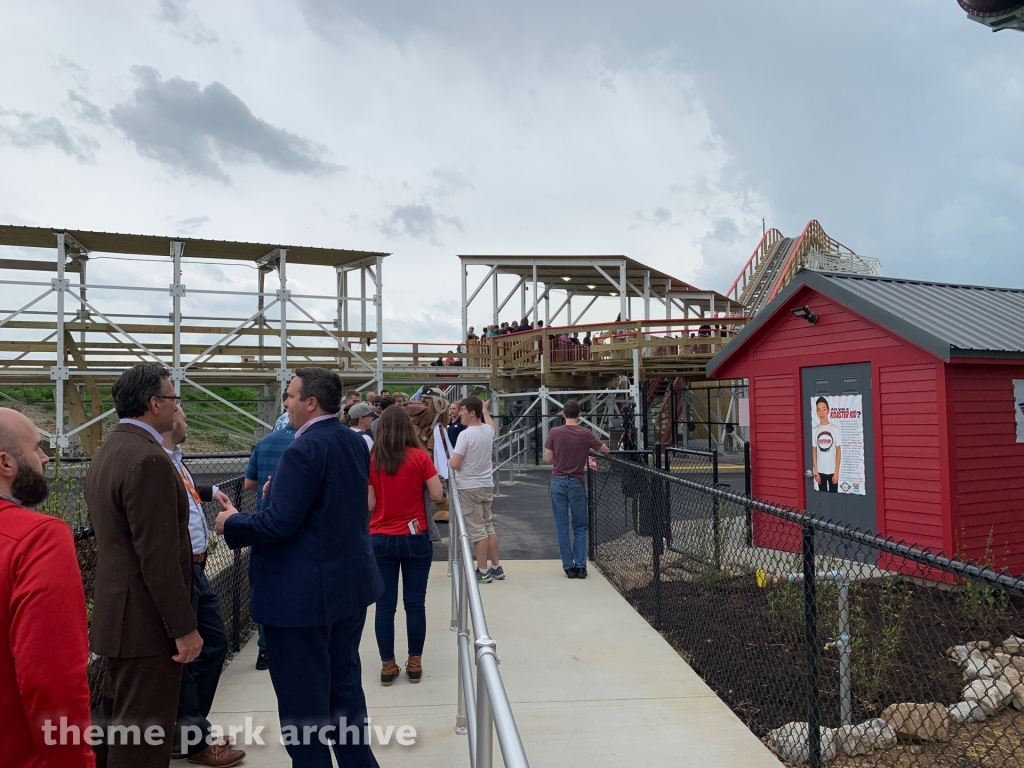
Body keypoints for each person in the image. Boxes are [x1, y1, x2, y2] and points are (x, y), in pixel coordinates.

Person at [217, 367, 383, 768]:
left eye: (290, 396)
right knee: (344, 691)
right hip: (347, 589)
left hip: (300, 601)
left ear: (311, 402)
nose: (286, 403)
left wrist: (232, 522)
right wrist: (279, 493)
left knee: (303, 708)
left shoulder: (302, 450)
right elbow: (330, 506)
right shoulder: (353, 441)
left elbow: (278, 525)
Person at [88, 364, 226, 768]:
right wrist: (183, 629)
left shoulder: (111, 450)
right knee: (143, 741)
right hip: (145, 627)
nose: (175, 405)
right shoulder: (149, 459)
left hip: (119, 618)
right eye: (172, 398)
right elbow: (159, 557)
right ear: (154, 403)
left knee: (117, 726)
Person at [0, 408, 96, 768]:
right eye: (38, 448)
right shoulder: (39, 539)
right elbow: (52, 680)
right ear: (6, 463)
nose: (45, 458)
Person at [160, 410, 245, 766]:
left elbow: (185, 490)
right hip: (182, 571)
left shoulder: (174, 460)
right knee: (189, 654)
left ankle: (189, 731)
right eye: (181, 415)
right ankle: (193, 740)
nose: (186, 422)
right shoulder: (156, 461)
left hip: (196, 569)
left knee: (214, 644)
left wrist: (211, 492)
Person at [366, 407, 444, 686]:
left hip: (381, 538)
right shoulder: (420, 457)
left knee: (384, 607)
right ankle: (415, 663)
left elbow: (370, 504)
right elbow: (437, 493)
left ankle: (388, 665)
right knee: (415, 604)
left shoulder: (373, 460)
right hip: (415, 537)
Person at [244, 418, 297, 671]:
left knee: (263, 588)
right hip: (294, 528)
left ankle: (265, 648)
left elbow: (249, 483)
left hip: (263, 526)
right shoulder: (305, 444)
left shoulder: (264, 443)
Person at [543, 400, 610, 579]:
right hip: (576, 481)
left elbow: (548, 458)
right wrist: (586, 448)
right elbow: (605, 450)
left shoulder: (554, 432)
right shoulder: (585, 433)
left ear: (563, 414)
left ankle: (568, 566)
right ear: (580, 414)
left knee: (562, 525)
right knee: (580, 525)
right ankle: (581, 565)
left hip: (558, 481)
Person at [448, 397, 502, 583]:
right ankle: (496, 566)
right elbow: (493, 426)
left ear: (472, 413)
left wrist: (448, 460)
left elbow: (455, 464)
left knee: (477, 530)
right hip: (486, 484)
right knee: (487, 525)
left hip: (469, 486)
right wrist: (485, 410)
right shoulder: (487, 430)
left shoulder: (465, 435)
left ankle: (483, 570)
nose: (460, 413)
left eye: (463, 410)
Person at [812, 397, 842, 493]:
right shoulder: (814, 430)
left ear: (828, 410)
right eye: (819, 410)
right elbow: (814, 452)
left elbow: (838, 452)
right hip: (820, 471)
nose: (822, 413)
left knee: (834, 497)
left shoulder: (835, 429)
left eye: (824, 409)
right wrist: (815, 471)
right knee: (822, 498)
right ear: (816, 412)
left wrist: (836, 472)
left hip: (832, 471)